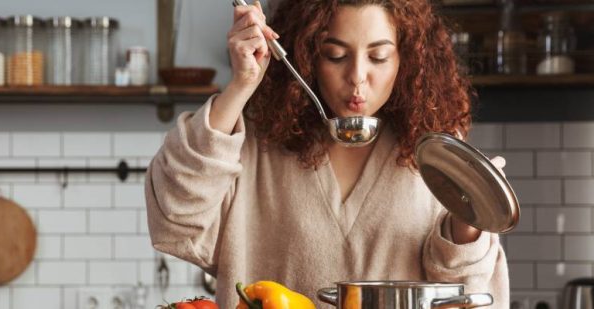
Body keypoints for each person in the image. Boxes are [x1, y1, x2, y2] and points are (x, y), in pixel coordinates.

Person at [145, 0, 509, 308]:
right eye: (335, 55)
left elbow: (471, 295)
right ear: (306, 55)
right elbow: (175, 219)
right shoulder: (255, 143)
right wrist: (242, 87)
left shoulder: (438, 155)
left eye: (379, 57)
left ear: (408, 59)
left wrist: (469, 222)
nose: (357, 77)